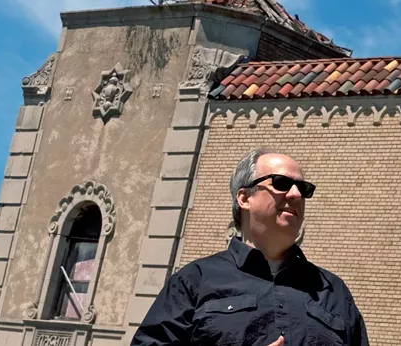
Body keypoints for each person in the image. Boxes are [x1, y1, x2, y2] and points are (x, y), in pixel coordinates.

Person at [131, 148, 369, 345]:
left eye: (303, 188)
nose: (296, 194)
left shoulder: (334, 293)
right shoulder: (194, 281)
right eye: (282, 183)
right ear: (244, 198)